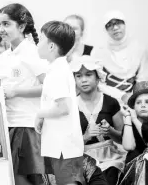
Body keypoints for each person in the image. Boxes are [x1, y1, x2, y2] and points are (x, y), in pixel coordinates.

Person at [0, 3, 50, 185]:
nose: (1, 29)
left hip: (28, 125)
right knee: (13, 178)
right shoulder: (4, 57)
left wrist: (15, 92)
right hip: (8, 125)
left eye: (6, 24)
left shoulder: (33, 52)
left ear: (21, 26)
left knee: (31, 179)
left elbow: (49, 87)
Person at [35, 21, 85, 185]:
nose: (37, 43)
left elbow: (64, 107)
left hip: (64, 146)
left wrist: (40, 114)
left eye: (40, 39)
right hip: (62, 145)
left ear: (51, 47)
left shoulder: (57, 72)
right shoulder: (56, 68)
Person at [71, 55, 126, 184]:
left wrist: (110, 131)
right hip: (82, 158)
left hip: (110, 157)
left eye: (88, 75)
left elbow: (123, 139)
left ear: (98, 78)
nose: (83, 80)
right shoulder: (70, 106)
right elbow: (67, 142)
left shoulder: (111, 102)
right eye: (79, 76)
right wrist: (85, 137)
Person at [91, 11, 148, 105]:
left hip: (136, 100)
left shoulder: (139, 49)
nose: (115, 28)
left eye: (118, 22)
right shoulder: (98, 52)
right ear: (105, 29)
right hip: (108, 100)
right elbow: (98, 83)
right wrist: (121, 96)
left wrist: (134, 97)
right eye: (109, 25)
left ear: (125, 24)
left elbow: (143, 77)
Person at [119, 81, 148, 185]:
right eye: (138, 102)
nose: (143, 105)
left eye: (147, 102)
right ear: (133, 107)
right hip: (134, 167)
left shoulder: (135, 120)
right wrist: (128, 118)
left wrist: (135, 120)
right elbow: (128, 146)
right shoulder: (131, 122)